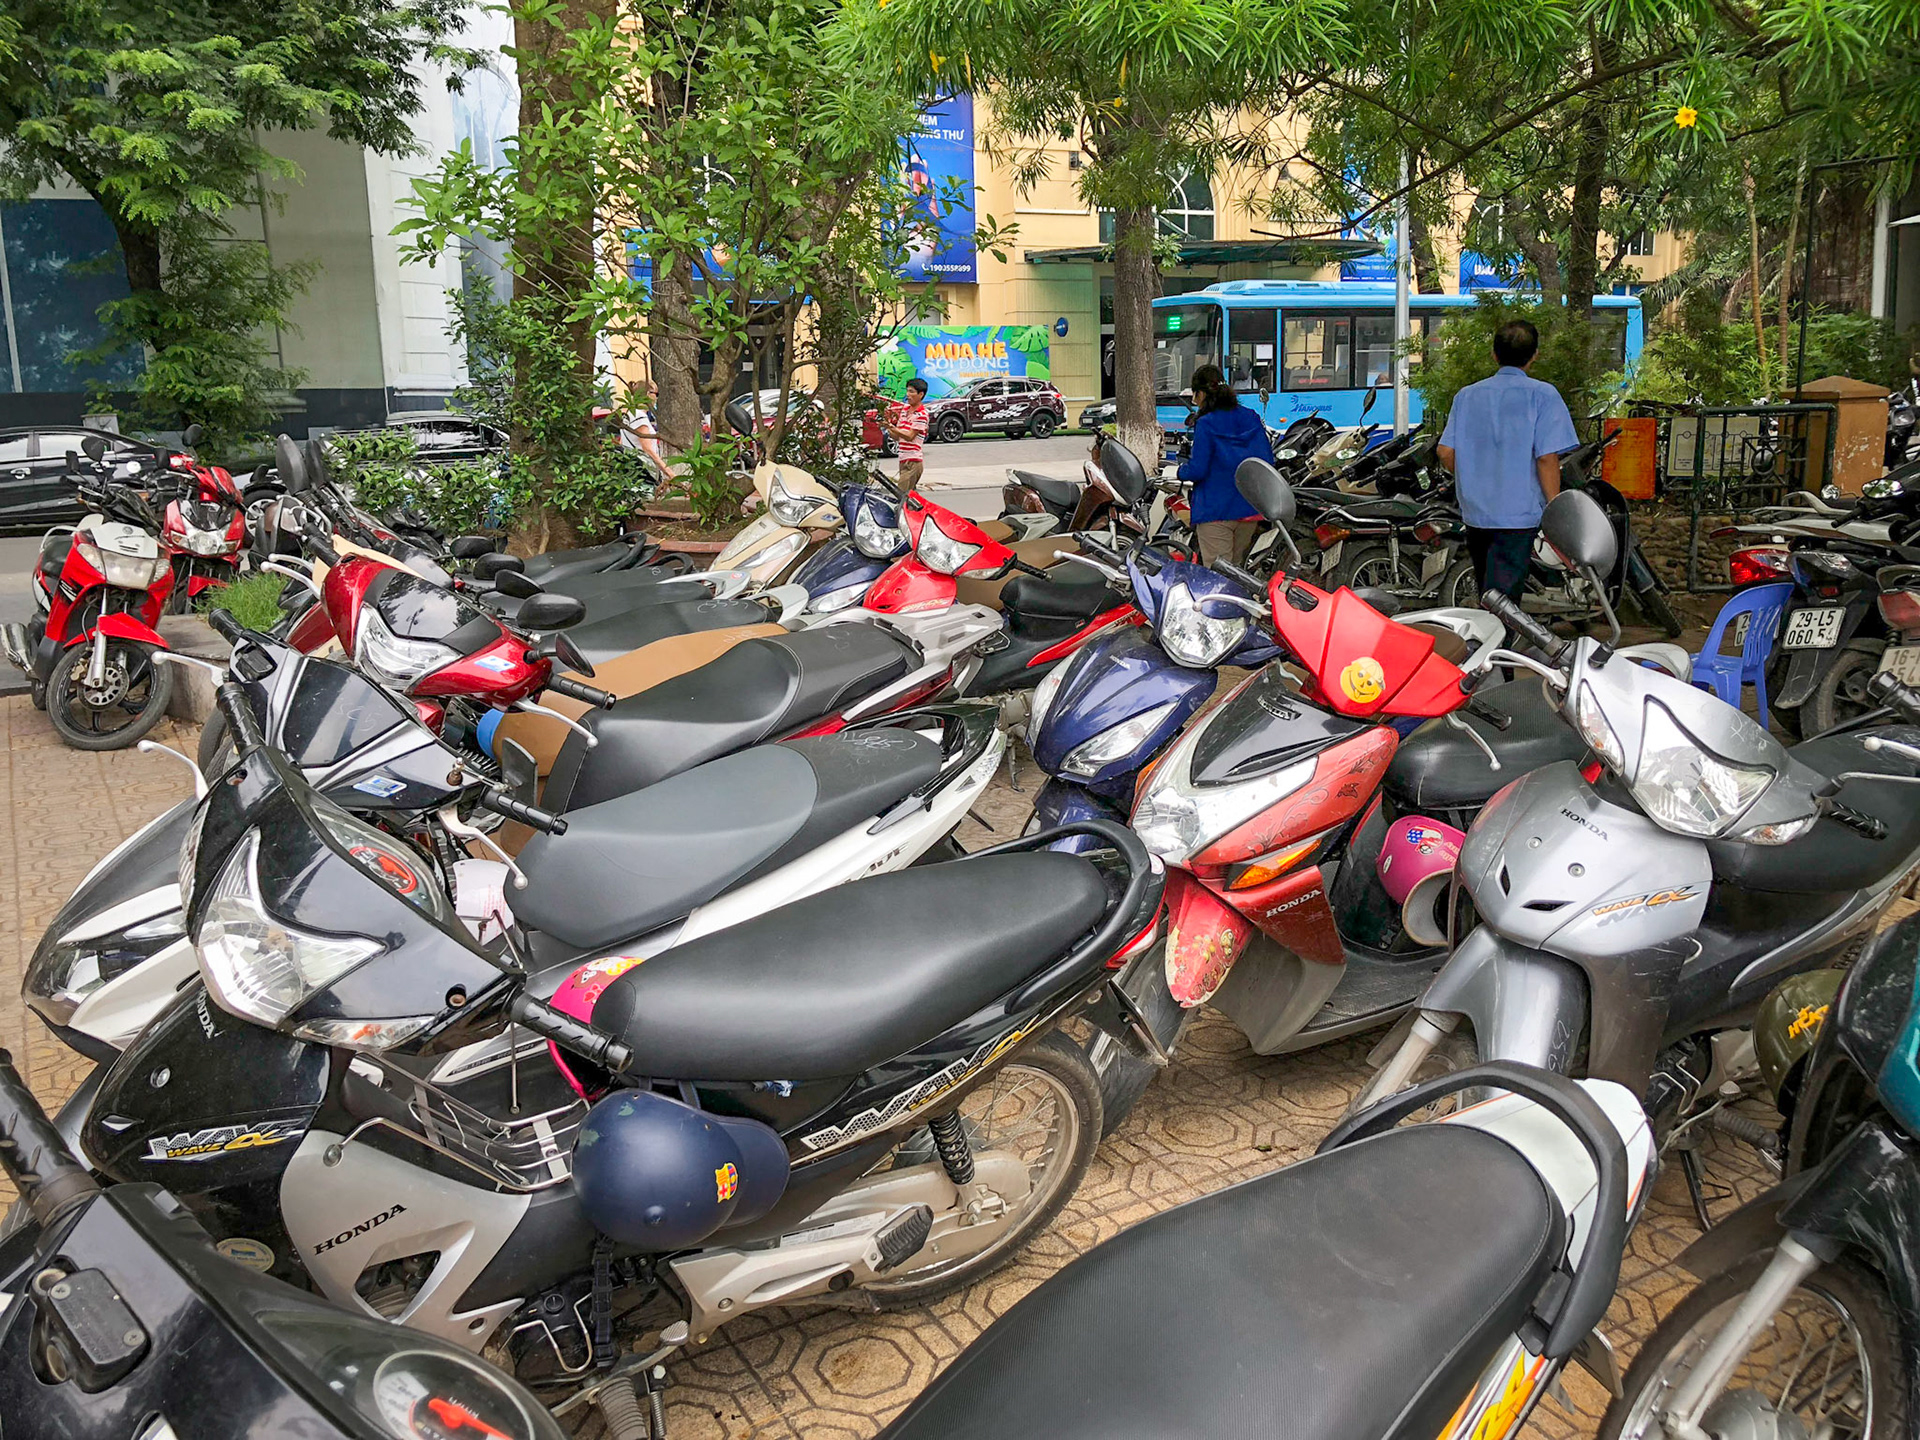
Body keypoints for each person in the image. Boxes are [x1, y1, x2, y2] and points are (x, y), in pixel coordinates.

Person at [1436, 319, 1578, 600]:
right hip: (1517, 517)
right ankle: (1501, 643)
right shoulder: (1542, 395)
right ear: (1535, 354)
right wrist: (1554, 510)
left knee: (1488, 591)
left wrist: (1470, 480)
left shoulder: (1466, 396)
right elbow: (1547, 459)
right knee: (1504, 602)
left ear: (1494, 354)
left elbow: (1445, 452)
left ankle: (1490, 639)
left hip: (1476, 515)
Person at [1177, 365, 1272, 565]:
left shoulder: (1206, 423)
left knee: (1218, 575)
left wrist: (1181, 471)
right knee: (1237, 572)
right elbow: (1267, 461)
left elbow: (1198, 469)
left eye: (1195, 395)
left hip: (1216, 510)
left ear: (1201, 394)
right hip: (1249, 509)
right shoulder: (1251, 416)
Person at [887, 377, 931, 490]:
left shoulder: (922, 414)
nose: (908, 394)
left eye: (911, 391)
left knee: (902, 495)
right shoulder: (905, 410)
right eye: (907, 391)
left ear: (921, 394)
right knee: (910, 497)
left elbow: (910, 436)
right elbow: (897, 437)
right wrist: (888, 427)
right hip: (903, 459)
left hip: (913, 461)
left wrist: (892, 428)